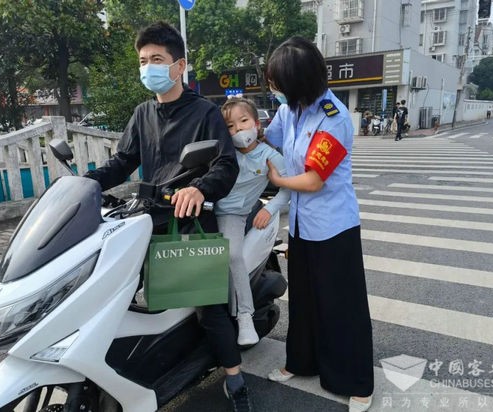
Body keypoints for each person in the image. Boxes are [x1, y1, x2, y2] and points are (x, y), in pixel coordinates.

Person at [83, 22, 252, 412]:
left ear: (179, 66)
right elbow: (122, 162)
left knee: (208, 310)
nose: (148, 68)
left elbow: (226, 165)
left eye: (156, 59)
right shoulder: (142, 113)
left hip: (190, 220)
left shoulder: (205, 112)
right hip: (145, 220)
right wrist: (83, 184)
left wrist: (199, 188)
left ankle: (235, 379)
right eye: (143, 61)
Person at [262, 36, 374, 412]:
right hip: (300, 224)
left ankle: (357, 382)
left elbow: (313, 181)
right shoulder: (290, 109)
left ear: (298, 82)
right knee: (305, 299)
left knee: (341, 305)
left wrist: (277, 181)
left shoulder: (333, 118)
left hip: (333, 227)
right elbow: (269, 141)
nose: (273, 89)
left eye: (277, 82)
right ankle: (300, 362)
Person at [216, 97, 290, 346]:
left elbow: (287, 188)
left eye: (243, 121)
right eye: (230, 126)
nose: (238, 129)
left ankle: (244, 316)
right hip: (205, 209)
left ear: (257, 124)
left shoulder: (269, 156)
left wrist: (270, 209)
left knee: (233, 256)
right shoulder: (224, 151)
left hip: (232, 215)